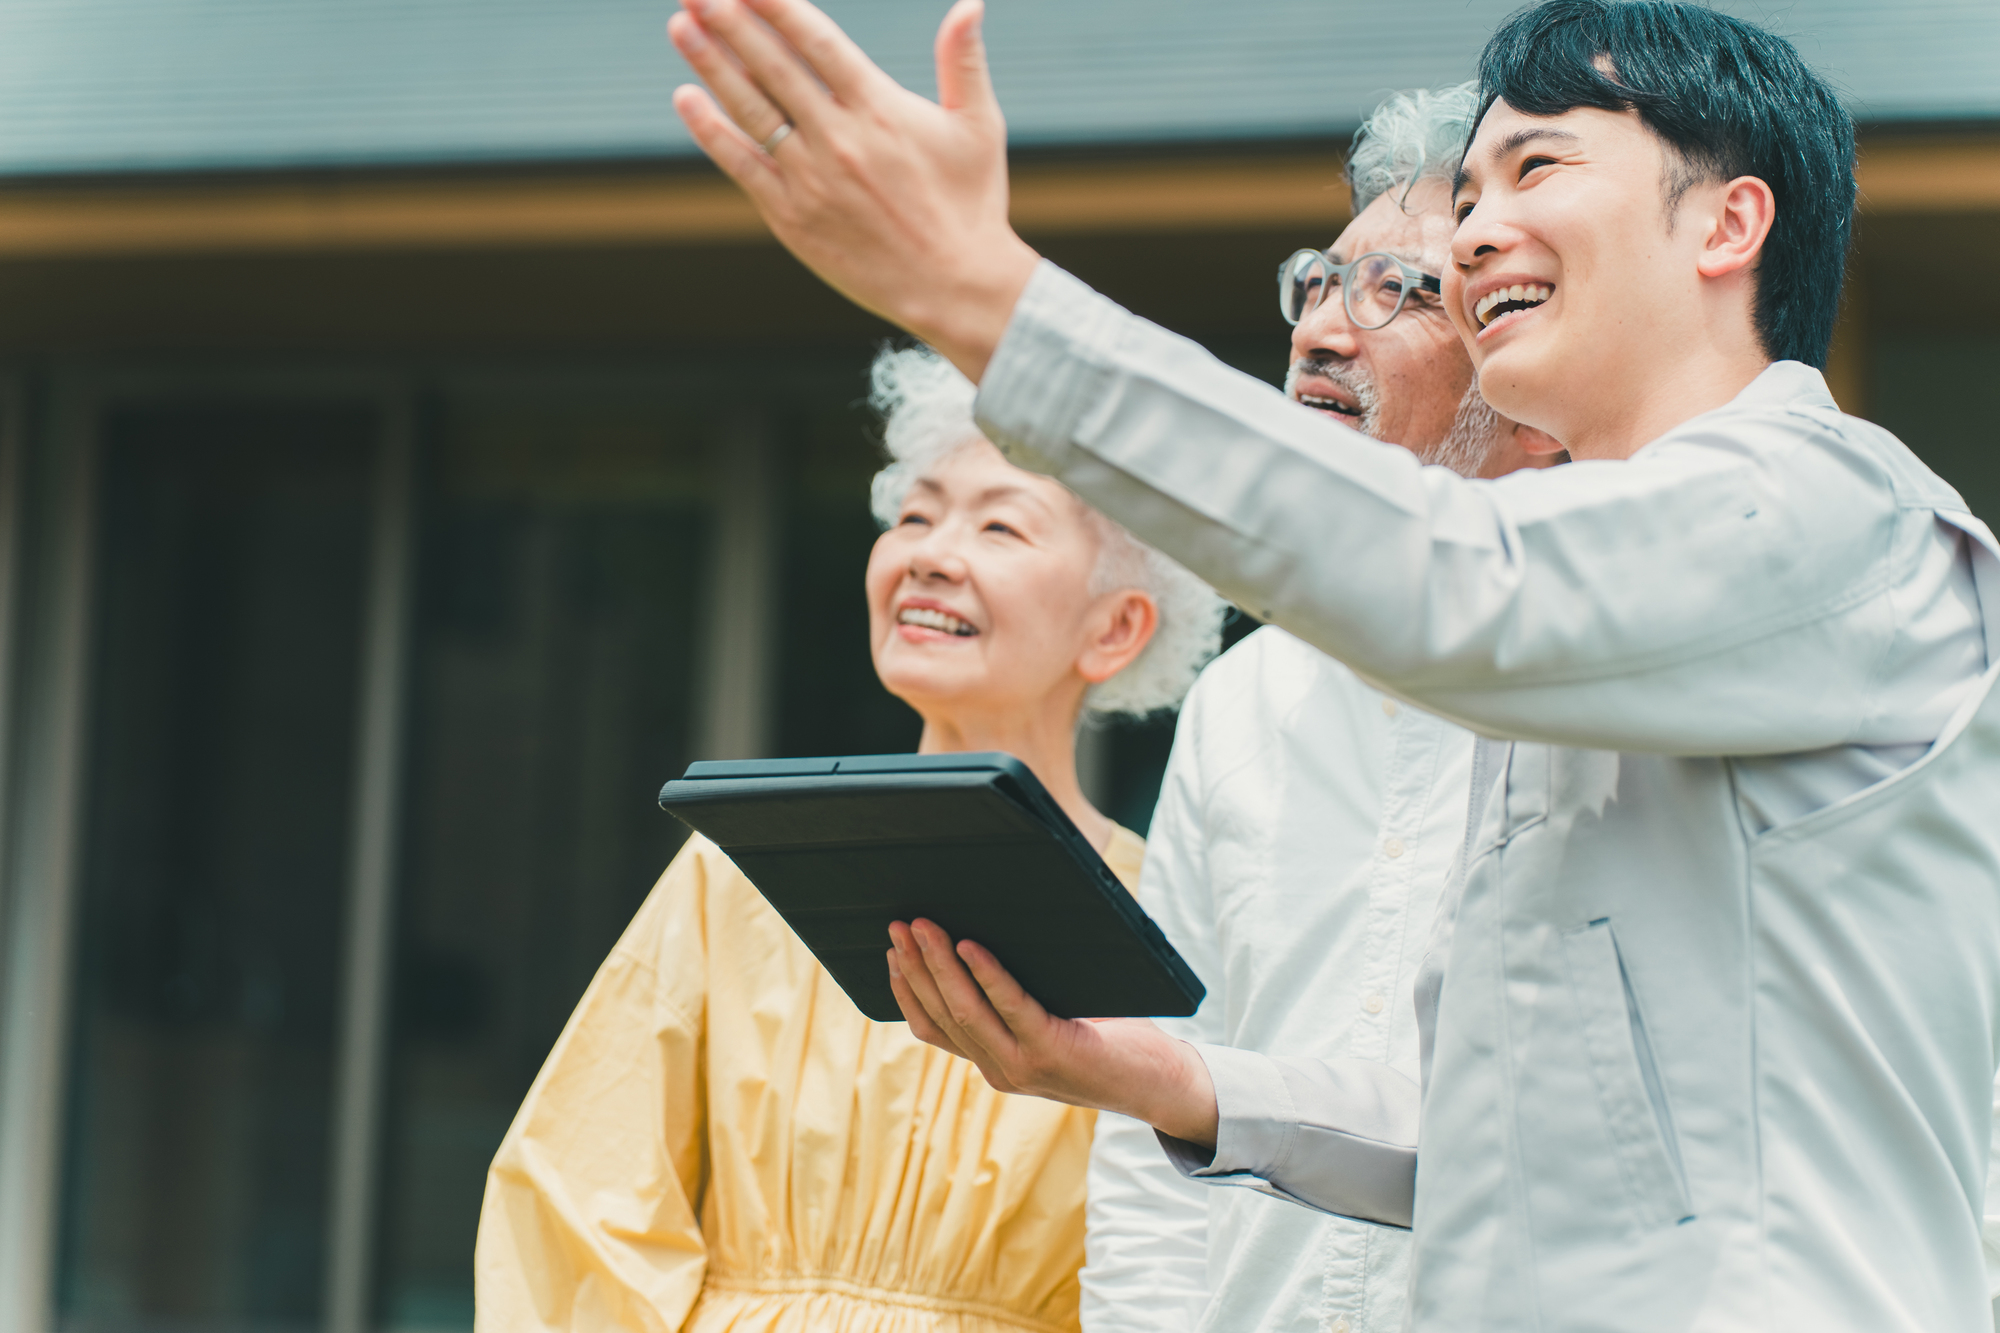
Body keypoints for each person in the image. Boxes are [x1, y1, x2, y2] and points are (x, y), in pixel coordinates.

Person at [666, 0, 2000, 1328]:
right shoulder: (1565, 638)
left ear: (1728, 224)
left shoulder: (1833, 512)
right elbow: (1479, 1140)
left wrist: (980, 293)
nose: (1475, 229)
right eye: (1468, 193)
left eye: (1536, 168)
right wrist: (1152, 1077)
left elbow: (1455, 587)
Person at [471, 346, 1223, 1333]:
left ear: (1115, 629)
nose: (929, 553)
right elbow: (578, 1207)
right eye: (914, 514)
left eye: (998, 523)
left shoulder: (1167, 915)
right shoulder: (745, 867)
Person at [1082, 84, 1559, 1333]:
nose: (1317, 334)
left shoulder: (1608, 673)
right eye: (1314, 283)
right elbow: (1161, 1106)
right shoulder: (1240, 696)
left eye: (1393, 293)